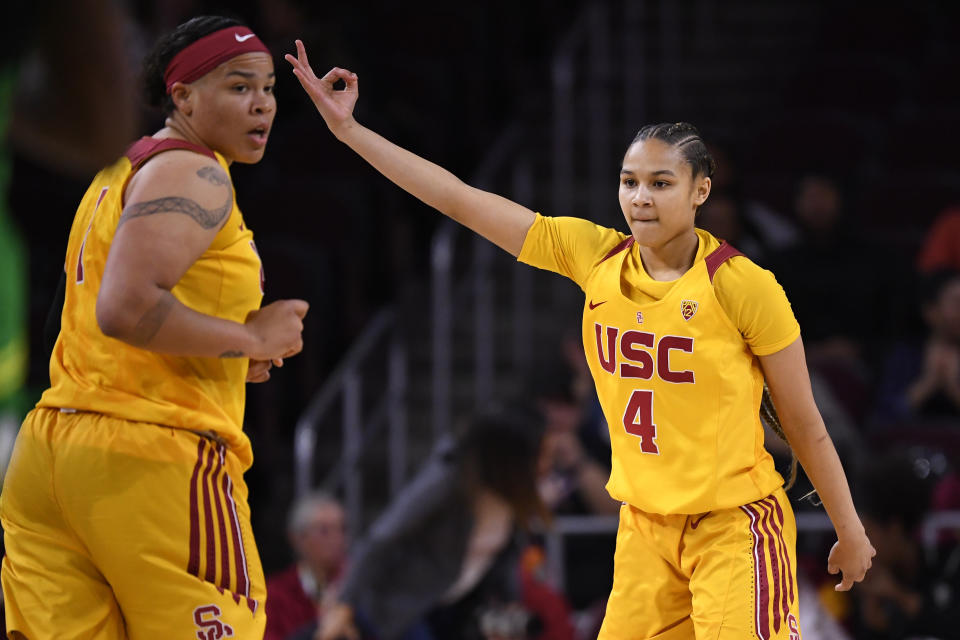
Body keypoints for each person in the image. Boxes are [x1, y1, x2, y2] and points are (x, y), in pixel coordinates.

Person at [286, 41, 875, 639]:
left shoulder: (744, 286)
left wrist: (847, 527)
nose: (640, 197)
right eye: (629, 181)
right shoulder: (592, 255)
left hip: (732, 528)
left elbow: (805, 424)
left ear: (701, 191)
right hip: (644, 529)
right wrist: (351, 133)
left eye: (661, 183)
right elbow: (461, 200)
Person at [0, 16, 308, 639]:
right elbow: (127, 308)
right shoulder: (196, 173)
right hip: (151, 461)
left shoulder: (114, 175)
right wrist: (253, 338)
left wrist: (225, 349)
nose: (262, 105)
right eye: (238, 86)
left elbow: (107, 316)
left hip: (54, 455)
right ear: (183, 96)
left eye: (270, 88)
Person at [318, 407, 550, 640]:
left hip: (456, 608)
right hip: (401, 608)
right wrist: (344, 604)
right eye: (540, 455)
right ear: (513, 459)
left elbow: (504, 560)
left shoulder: (515, 497)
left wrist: (509, 605)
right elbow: (382, 538)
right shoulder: (449, 480)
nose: (545, 463)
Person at [265, 493, 349, 640]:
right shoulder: (275, 595)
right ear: (298, 538)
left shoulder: (356, 586)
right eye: (324, 530)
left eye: (342, 529)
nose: (337, 538)